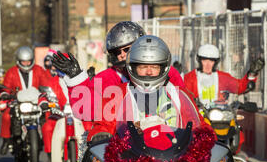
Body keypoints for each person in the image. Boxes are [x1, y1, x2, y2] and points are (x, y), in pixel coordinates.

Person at [78, 35, 211, 162]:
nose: (148, 72)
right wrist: (99, 135)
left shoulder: (178, 94)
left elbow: (198, 122)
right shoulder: (117, 94)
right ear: (131, 67)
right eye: (142, 67)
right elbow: (102, 123)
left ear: (164, 67)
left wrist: (208, 138)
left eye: (154, 67)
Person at [51, 21, 186, 123]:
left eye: (127, 50)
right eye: (116, 52)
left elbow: (185, 109)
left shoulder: (166, 72)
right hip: (122, 144)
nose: (121, 55)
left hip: (166, 138)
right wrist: (76, 79)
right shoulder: (106, 77)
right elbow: (85, 111)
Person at [0, 46, 52, 155]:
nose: (26, 64)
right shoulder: (12, 72)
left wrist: (48, 94)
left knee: (49, 119)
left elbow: (46, 84)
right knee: (6, 116)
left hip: (36, 103)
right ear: (18, 61)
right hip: (18, 102)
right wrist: (5, 94)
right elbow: (6, 87)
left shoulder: (39, 70)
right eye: (24, 62)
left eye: (28, 62)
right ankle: (6, 140)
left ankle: (50, 149)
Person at [183, 44, 264, 107]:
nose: (207, 64)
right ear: (199, 61)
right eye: (204, 60)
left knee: (234, 127)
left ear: (216, 62)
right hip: (198, 118)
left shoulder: (222, 77)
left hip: (220, 115)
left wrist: (252, 73)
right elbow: (183, 99)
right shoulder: (190, 78)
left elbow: (240, 87)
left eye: (211, 61)